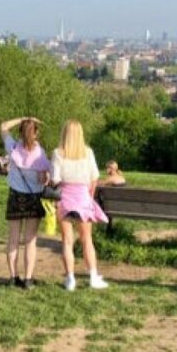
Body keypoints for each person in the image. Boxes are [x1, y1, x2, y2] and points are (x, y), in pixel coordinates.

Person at [51, 119, 109, 291]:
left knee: (67, 241)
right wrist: (89, 196)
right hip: (83, 197)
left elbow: (55, 179)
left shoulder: (57, 153)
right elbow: (94, 177)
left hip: (64, 198)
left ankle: (70, 279)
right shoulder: (88, 152)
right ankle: (93, 276)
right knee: (87, 240)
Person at [0, 117, 51, 289]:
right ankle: (28, 279)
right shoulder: (40, 153)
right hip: (33, 198)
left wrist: (24, 118)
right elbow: (43, 179)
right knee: (30, 241)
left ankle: (13, 277)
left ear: (20, 132)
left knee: (13, 239)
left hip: (15, 196)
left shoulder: (13, 147)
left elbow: (3, 126)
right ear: (36, 133)